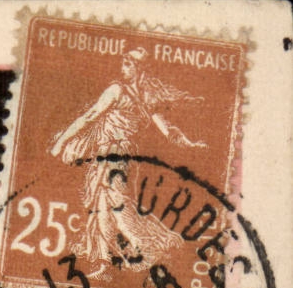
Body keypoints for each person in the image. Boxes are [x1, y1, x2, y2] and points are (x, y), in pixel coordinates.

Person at [47, 48, 206, 275]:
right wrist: (189, 143)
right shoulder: (145, 100)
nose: (123, 69)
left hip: (115, 154)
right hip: (115, 155)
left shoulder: (118, 91)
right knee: (101, 206)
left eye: (127, 64)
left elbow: (90, 116)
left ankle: (146, 248)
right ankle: (103, 260)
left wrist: (61, 141)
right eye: (123, 64)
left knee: (118, 205)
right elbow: (168, 130)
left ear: (137, 68)